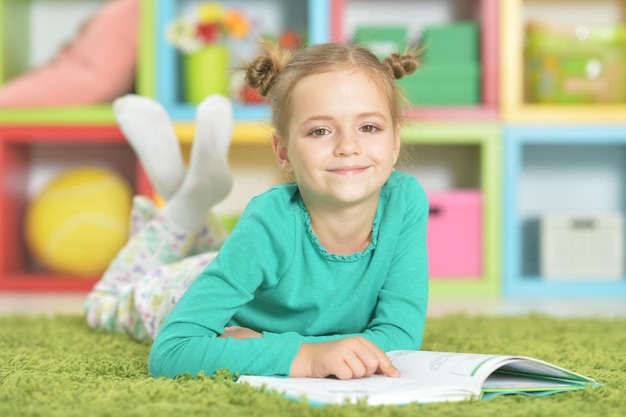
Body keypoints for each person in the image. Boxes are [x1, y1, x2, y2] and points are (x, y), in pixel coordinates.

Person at [85, 41, 429, 381]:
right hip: (182, 288)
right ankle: (186, 205)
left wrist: (272, 344)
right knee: (103, 304)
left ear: (395, 141)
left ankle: (187, 191)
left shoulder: (406, 201)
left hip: (241, 269)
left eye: (369, 127)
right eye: (320, 130)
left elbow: (400, 338)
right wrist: (307, 358)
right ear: (283, 151)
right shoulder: (270, 220)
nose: (348, 147)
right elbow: (172, 352)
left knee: (220, 253)